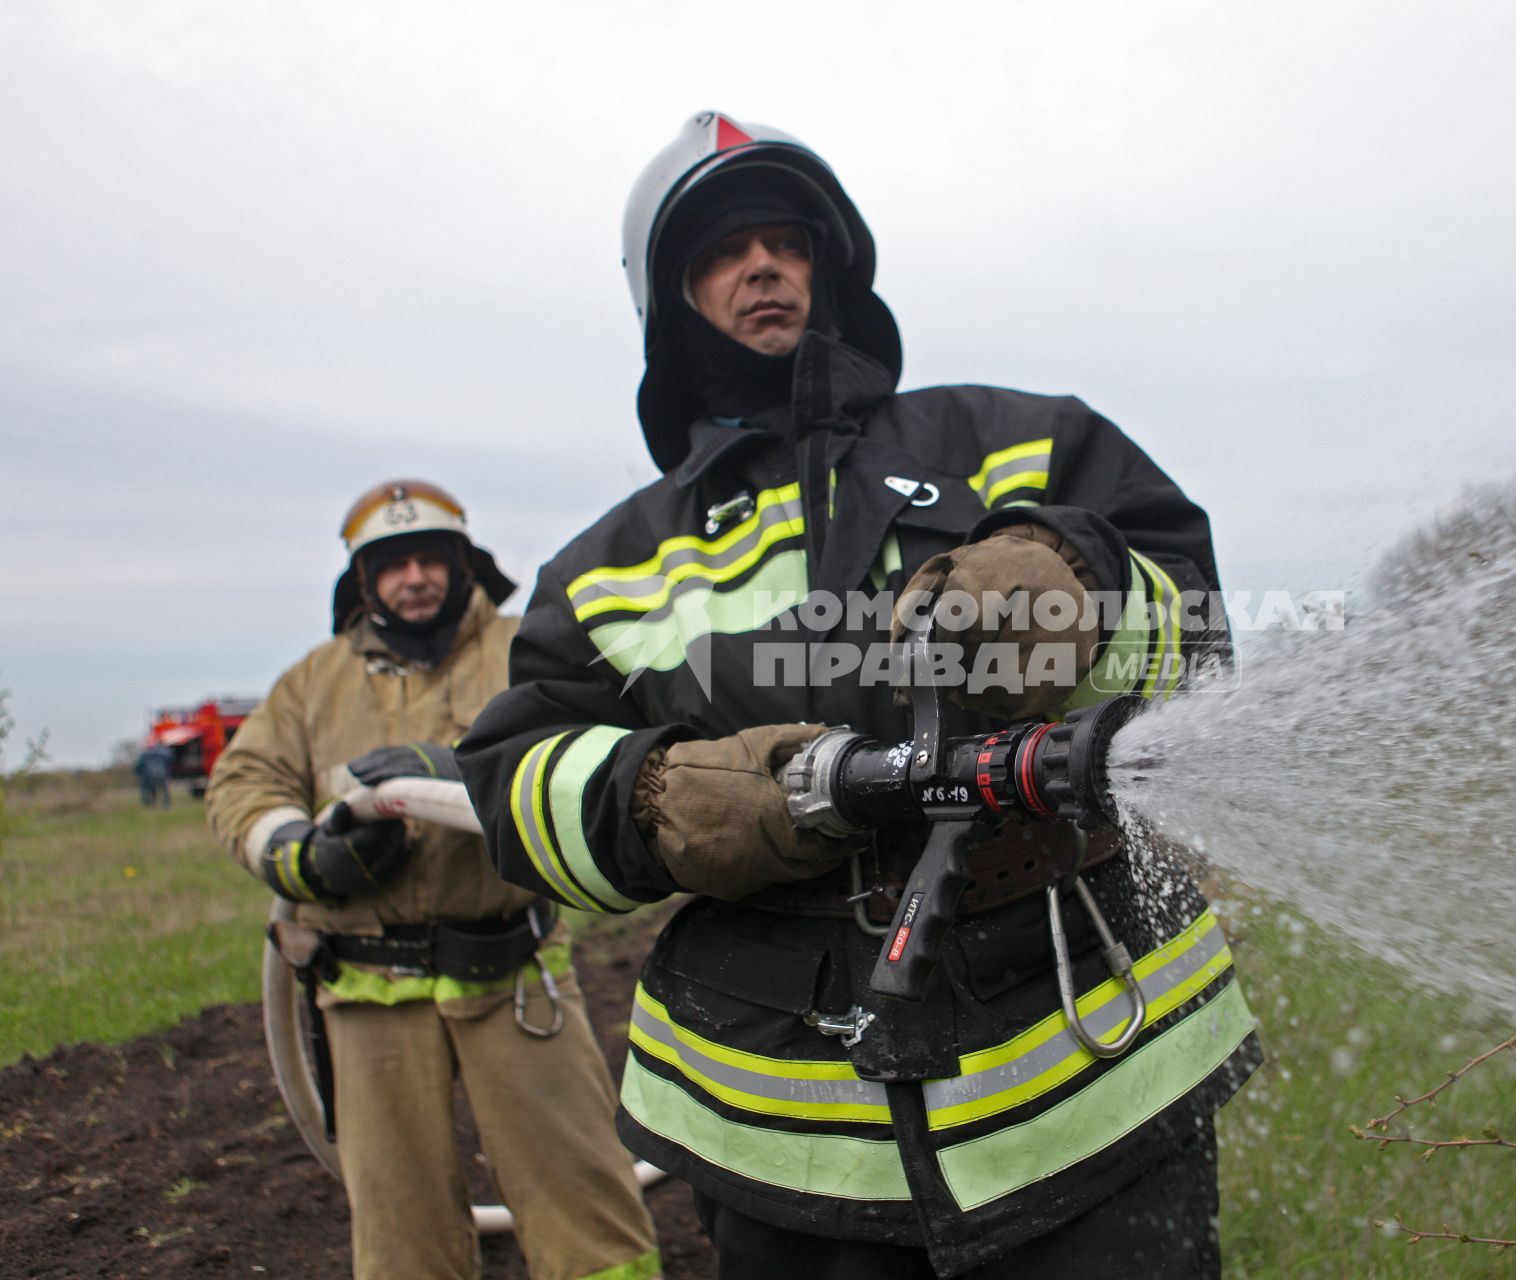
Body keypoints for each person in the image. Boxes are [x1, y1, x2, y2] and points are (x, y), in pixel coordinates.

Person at [459, 113, 1262, 1278]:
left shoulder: (1015, 445)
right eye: (723, 250)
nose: (764, 264)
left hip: (1095, 1073)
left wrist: (1070, 580)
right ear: (673, 299)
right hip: (788, 1141)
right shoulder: (610, 565)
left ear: (831, 268)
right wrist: (663, 799)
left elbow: (1195, 629)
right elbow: (513, 782)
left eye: (788, 239)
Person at [205, 480, 660, 1280]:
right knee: (398, 1229)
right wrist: (302, 856)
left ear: (462, 564)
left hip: (514, 977)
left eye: (429, 558)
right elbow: (243, 784)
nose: (413, 577)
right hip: (365, 987)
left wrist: (467, 771)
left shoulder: (529, 650)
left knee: (585, 1203)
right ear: (363, 580)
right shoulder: (312, 684)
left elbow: (607, 743)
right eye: (391, 564)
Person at [135, 743, 172, 808]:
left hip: (152, 775)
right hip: (161, 774)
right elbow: (170, 760)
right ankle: (165, 803)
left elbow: (138, 766)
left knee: (152, 790)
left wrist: (139, 774)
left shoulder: (145, 755)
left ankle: (152, 803)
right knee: (164, 790)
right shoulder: (161, 754)